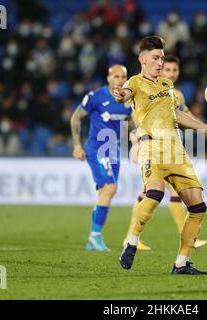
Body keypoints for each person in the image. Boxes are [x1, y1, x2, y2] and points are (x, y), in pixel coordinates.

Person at [113, 36, 207, 275]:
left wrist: (205, 128)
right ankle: (131, 241)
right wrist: (119, 94)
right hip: (152, 147)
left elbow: (177, 115)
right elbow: (123, 94)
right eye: (155, 58)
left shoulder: (167, 85)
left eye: (162, 58)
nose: (159, 62)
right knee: (154, 193)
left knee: (198, 207)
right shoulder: (135, 82)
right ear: (142, 59)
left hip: (177, 151)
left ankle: (181, 263)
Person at [122, 54, 207, 251]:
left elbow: (184, 115)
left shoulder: (175, 93)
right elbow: (134, 116)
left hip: (170, 148)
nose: (171, 73)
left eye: (175, 70)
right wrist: (134, 139)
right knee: (155, 192)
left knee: (151, 193)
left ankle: (131, 237)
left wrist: (204, 126)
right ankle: (132, 237)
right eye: (167, 69)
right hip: (147, 145)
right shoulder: (144, 88)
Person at [71, 64, 131, 252]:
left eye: (123, 77)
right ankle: (95, 235)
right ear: (108, 78)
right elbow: (76, 117)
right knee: (110, 188)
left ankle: (93, 240)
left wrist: (136, 135)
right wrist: (77, 145)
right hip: (97, 148)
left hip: (114, 150)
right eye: (116, 76)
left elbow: (132, 122)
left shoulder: (128, 100)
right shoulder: (95, 96)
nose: (119, 80)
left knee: (104, 193)